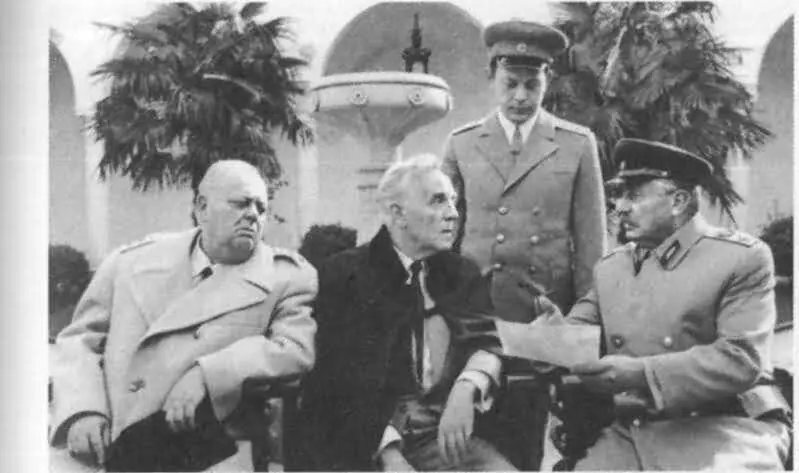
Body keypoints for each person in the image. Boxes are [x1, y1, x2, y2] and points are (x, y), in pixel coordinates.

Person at [49, 160, 318, 471]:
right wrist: (83, 410)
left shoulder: (287, 277)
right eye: (241, 203)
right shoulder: (130, 262)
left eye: (261, 208)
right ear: (202, 208)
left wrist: (208, 373)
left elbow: (294, 350)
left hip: (204, 456)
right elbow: (80, 340)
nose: (253, 215)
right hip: (108, 447)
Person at [562, 138, 792, 470]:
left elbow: (741, 358)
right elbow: (576, 331)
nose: (620, 207)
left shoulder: (742, 258)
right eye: (619, 195)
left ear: (679, 201)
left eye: (634, 196)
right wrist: (551, 332)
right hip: (635, 428)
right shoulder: (611, 268)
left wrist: (640, 373)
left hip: (728, 426)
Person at [441, 19, 608, 469]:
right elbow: (444, 239)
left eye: (531, 85)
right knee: (463, 441)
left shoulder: (576, 145)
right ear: (491, 77)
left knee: (524, 444)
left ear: (546, 81)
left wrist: (579, 331)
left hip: (539, 324)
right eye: (510, 83)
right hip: (474, 318)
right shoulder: (462, 144)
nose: (520, 96)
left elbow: (591, 248)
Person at [297, 154, 516, 471]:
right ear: (398, 213)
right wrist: (387, 452)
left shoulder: (461, 273)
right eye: (438, 201)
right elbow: (332, 384)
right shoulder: (344, 275)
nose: (453, 214)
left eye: (453, 201)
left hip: (444, 440)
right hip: (363, 444)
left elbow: (488, 342)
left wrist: (468, 385)